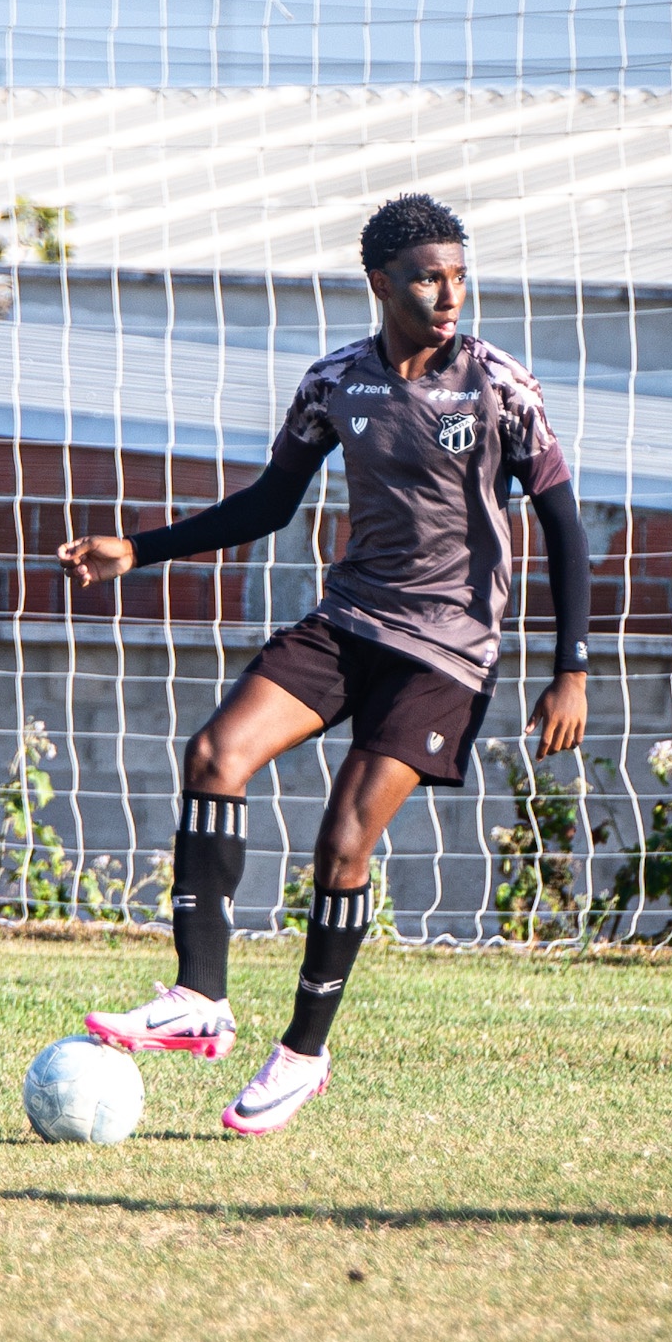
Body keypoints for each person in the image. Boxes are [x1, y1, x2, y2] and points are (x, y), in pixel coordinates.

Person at [58, 194, 592, 1136]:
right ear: (381, 282)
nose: (449, 295)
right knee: (216, 753)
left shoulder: (502, 386)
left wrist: (571, 669)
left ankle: (302, 1054)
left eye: (460, 276)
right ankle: (199, 998)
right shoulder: (333, 382)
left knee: (343, 842)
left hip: (448, 651)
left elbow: (563, 525)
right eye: (429, 276)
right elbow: (269, 502)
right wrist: (138, 549)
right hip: (349, 620)